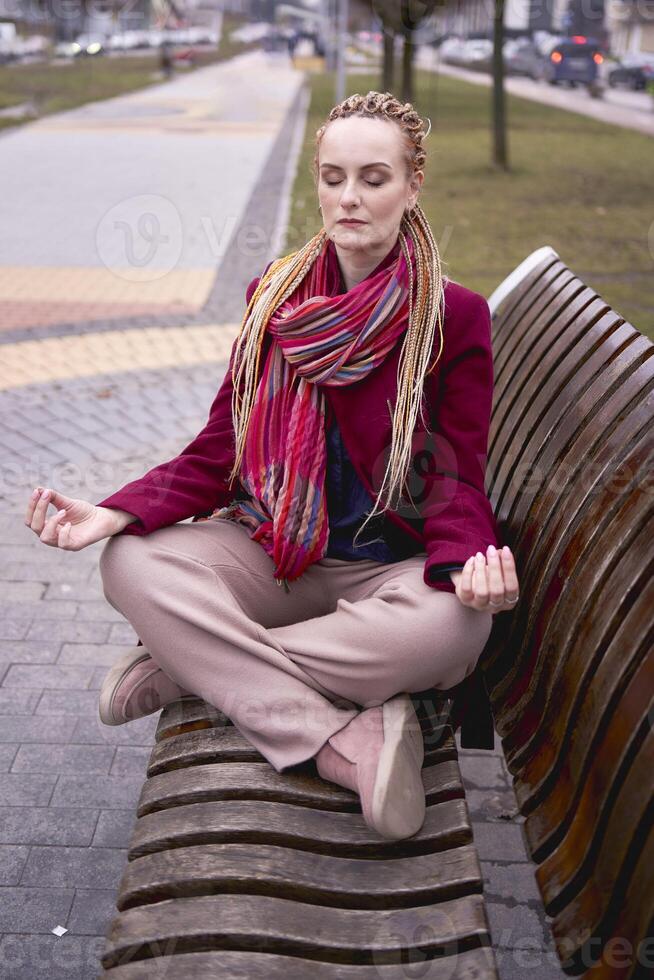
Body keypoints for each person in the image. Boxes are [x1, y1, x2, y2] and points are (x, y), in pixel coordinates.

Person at [23, 91, 520, 842]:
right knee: (129, 562)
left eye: (374, 178)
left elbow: (456, 477)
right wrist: (116, 511)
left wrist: (472, 565)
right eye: (332, 176)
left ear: (413, 185)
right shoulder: (274, 300)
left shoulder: (450, 317)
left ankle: (190, 667)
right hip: (276, 553)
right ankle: (341, 740)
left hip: (383, 569)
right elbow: (221, 444)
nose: (349, 197)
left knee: (454, 627)